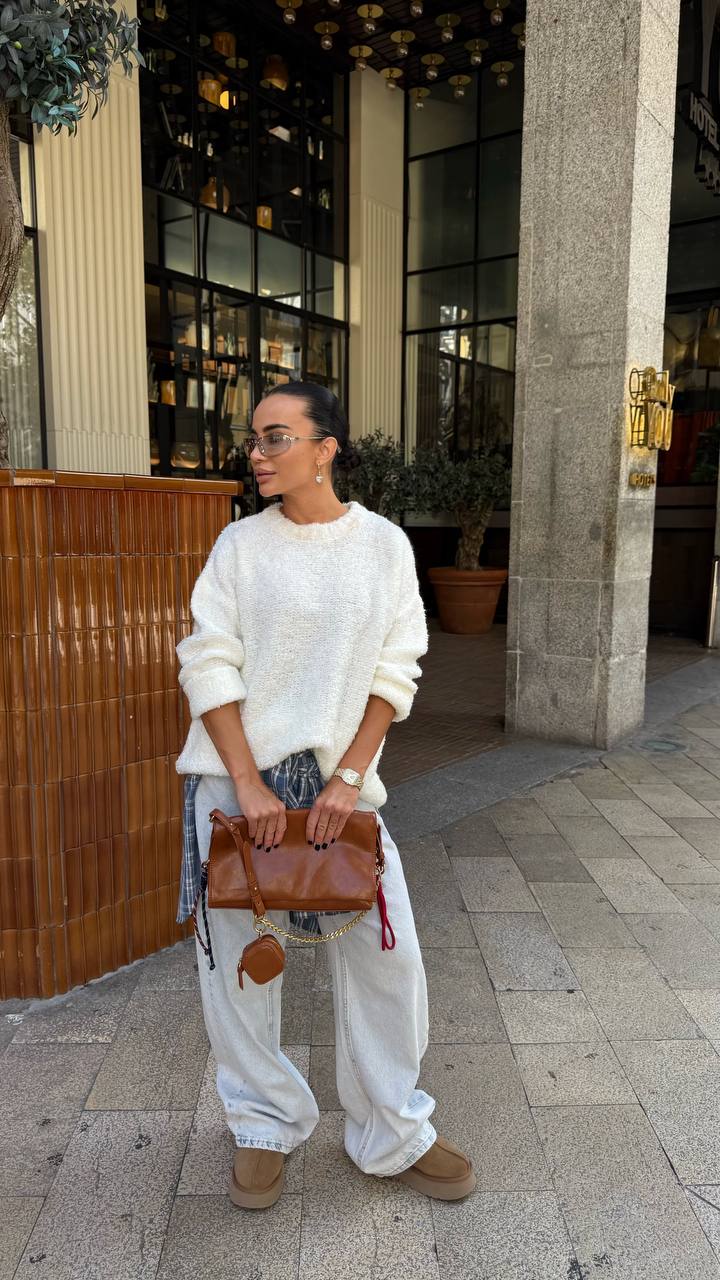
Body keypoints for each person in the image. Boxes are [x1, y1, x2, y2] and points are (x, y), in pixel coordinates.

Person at [174, 382, 476, 1210]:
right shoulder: (238, 546)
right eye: (254, 439)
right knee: (240, 966)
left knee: (389, 956)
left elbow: (396, 664)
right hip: (237, 787)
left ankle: (392, 1129)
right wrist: (245, 783)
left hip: (343, 788)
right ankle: (263, 1124)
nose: (259, 453)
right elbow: (208, 661)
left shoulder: (382, 547)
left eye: (277, 436)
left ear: (326, 447)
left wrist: (348, 776)